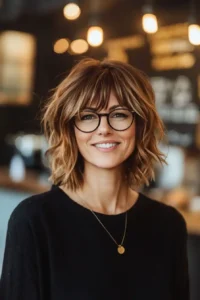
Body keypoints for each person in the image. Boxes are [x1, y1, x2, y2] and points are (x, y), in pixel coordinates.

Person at [0, 58, 189, 300]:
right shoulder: (34, 221)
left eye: (119, 114)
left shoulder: (169, 225)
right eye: (88, 116)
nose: (104, 129)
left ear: (140, 125)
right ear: (71, 129)